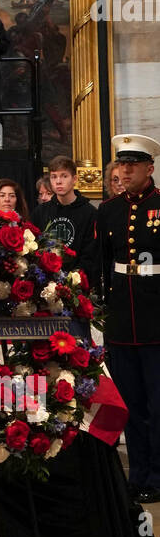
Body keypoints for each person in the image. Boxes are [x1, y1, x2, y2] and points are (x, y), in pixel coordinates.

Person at [96, 135, 160, 503]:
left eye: (134, 164)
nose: (126, 169)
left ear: (149, 168)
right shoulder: (109, 210)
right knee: (131, 406)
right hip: (123, 319)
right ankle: (138, 476)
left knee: (158, 404)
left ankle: (159, 474)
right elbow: (103, 264)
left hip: (156, 319)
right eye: (122, 163)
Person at [30, 155, 99, 285]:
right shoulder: (40, 212)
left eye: (64, 176)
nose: (58, 181)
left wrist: (73, 279)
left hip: (76, 283)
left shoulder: (89, 213)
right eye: (54, 176)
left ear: (74, 179)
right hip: (45, 281)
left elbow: (90, 254)